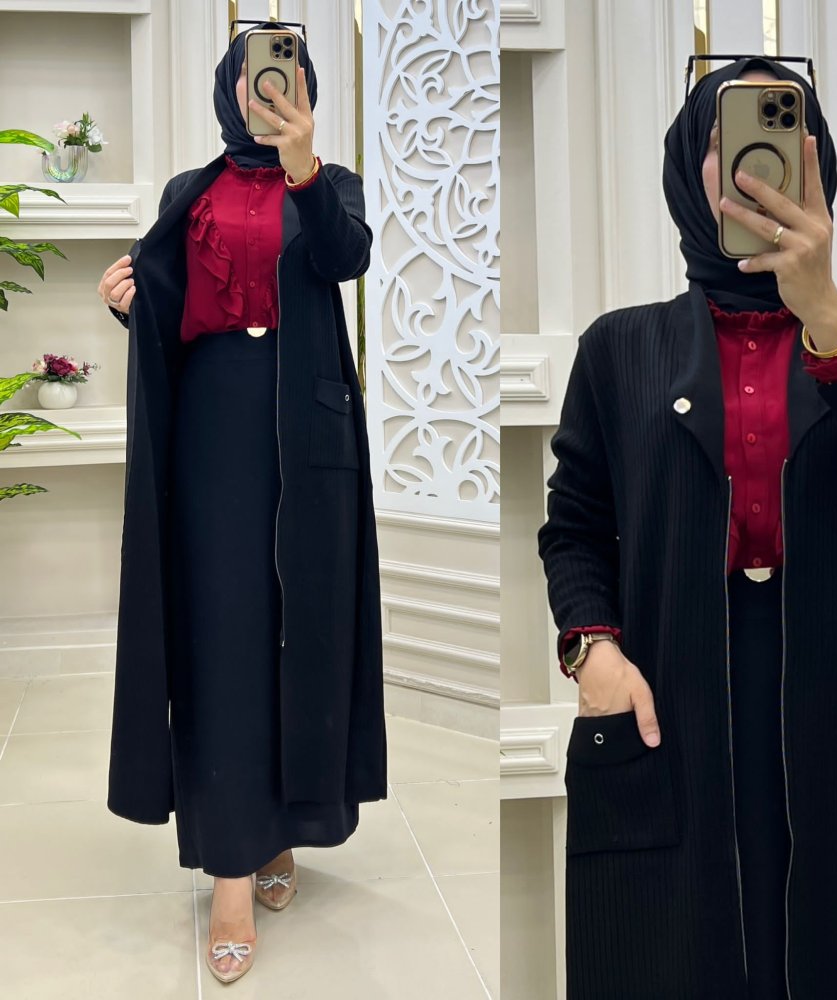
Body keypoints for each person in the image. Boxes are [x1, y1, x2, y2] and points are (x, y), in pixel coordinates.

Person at [537, 56, 837, 999]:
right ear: (692, 166)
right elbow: (575, 526)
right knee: (674, 953)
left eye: (782, 139)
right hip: (670, 689)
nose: (756, 167)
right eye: (727, 142)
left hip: (834, 694)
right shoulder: (619, 347)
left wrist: (824, 312)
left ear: (818, 164)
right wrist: (592, 650)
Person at [96, 22, 385, 984]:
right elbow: (169, 303)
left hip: (309, 433)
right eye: (257, 78)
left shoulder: (332, 183)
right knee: (224, 636)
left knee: (300, 631)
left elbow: (346, 258)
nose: (269, 91)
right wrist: (127, 302)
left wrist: (304, 166)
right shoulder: (191, 191)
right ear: (230, 87)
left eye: (285, 76)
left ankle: (284, 824)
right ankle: (230, 865)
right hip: (212, 433)